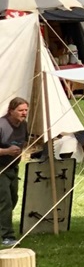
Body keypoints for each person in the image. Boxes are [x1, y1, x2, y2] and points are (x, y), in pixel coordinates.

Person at [0, 98, 29, 247]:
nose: (24, 113)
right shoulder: (1, 125)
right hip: (0, 170)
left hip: (13, 168)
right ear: (11, 111)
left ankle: (3, 226)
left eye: (25, 110)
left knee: (13, 199)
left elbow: (24, 141)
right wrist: (7, 151)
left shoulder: (23, 125)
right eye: (20, 110)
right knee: (5, 202)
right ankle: (7, 237)